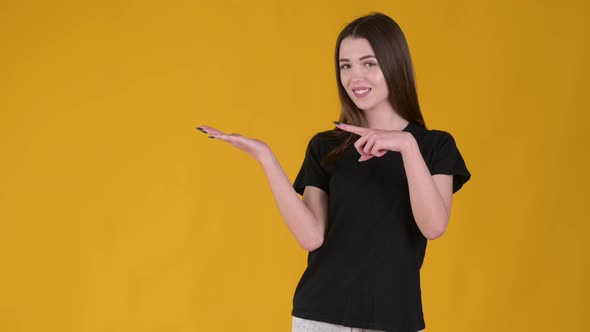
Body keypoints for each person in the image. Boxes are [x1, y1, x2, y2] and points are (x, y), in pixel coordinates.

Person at [196, 12, 470, 332]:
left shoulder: (434, 146)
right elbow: (311, 236)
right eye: (345, 65)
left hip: (394, 319)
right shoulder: (326, 146)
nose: (355, 77)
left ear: (395, 64)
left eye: (369, 63)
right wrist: (265, 157)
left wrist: (407, 147)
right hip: (319, 316)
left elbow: (434, 225)